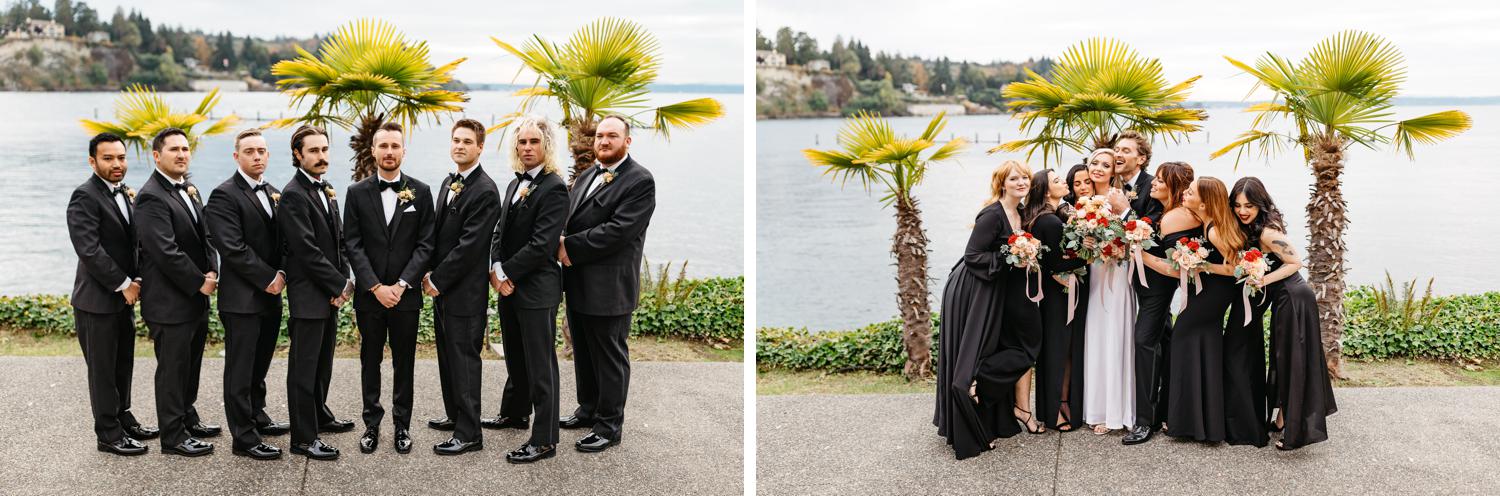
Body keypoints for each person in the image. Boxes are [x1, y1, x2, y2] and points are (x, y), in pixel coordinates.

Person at [557, 115, 657, 453]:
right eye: (600, 136)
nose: (603, 141)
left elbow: (618, 231)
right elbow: (570, 219)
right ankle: (587, 410)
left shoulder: (640, 181)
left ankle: (609, 425)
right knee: (583, 352)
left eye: (612, 136)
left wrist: (568, 247)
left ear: (627, 141)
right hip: (578, 280)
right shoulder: (587, 175)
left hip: (610, 286)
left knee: (609, 356)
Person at [934, 160, 1040, 460]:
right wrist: (1011, 259)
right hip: (974, 288)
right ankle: (970, 393)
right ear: (1002, 184)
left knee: (1013, 347)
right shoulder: (992, 215)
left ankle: (989, 397)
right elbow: (972, 256)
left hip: (997, 289)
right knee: (978, 349)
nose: (1021, 182)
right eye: (1014, 178)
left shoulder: (1019, 212)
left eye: (1025, 178)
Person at [342, 122, 435, 455]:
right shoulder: (355, 193)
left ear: (403, 151)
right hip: (370, 298)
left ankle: (402, 426)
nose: (389, 152)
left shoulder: (421, 192)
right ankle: (371, 424)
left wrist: (401, 285)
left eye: (395, 146)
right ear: (373, 151)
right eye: (383, 146)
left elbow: (426, 245)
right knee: (370, 361)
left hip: (405, 297)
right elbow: (352, 243)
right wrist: (374, 286)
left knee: (404, 363)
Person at [1229, 177, 1337, 450]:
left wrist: (1262, 280)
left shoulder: (1267, 232)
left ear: (1261, 205)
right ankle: (1282, 418)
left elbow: (1295, 262)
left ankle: (1294, 428)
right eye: (1238, 205)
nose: (1243, 211)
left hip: (1293, 297)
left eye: (1249, 206)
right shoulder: (1256, 227)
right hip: (1286, 298)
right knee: (1285, 357)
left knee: (1291, 359)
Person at [67, 132, 158, 456]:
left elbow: (130, 243)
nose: (117, 164)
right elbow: (89, 250)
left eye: (121, 157)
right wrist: (124, 284)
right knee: (103, 369)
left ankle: (123, 416)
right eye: (109, 158)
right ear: (93, 161)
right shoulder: (84, 196)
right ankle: (108, 434)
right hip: (97, 301)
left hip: (122, 297)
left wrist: (139, 277)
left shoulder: (124, 193)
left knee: (123, 362)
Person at [486, 115, 570, 463]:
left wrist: (507, 273)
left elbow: (541, 245)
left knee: (541, 365)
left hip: (537, 290)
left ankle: (544, 439)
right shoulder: (514, 184)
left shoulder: (554, 188)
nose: (527, 148)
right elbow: (498, 233)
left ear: (546, 146)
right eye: (522, 142)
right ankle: (515, 413)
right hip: (508, 286)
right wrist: (494, 267)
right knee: (516, 357)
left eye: (534, 142)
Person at [203, 128, 290, 460]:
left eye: (262, 151)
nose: (257, 156)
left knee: (260, 364)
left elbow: (285, 241)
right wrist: (268, 277)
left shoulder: (274, 192)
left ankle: (257, 414)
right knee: (240, 369)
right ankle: (244, 437)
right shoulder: (224, 195)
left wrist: (282, 273)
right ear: (236, 156)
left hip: (271, 295)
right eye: (250, 151)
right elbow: (232, 247)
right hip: (241, 299)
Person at [135, 128, 221, 457]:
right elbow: (164, 251)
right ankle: (173, 436)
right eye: (174, 149)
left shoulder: (189, 189)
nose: (182, 154)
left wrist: (211, 269)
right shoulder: (150, 196)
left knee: (191, 363)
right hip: (169, 301)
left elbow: (206, 237)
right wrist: (199, 281)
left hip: (195, 297)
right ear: (157, 156)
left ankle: (187, 416)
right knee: (172, 369)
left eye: (185, 149)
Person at [1140, 176, 1239, 443]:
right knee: (1201, 349)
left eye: (1191, 192)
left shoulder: (1215, 230)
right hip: (1204, 293)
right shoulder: (1205, 224)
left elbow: (1234, 268)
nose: (1185, 193)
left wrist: (1201, 266)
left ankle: (1189, 421)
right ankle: (1199, 423)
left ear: (1205, 203)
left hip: (1212, 294)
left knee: (1183, 339)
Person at [423, 118, 502, 456]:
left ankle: (469, 433)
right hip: (444, 291)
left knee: (465, 360)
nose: (459, 146)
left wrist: (437, 279)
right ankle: (456, 415)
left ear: (480, 147)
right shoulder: (448, 182)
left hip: (465, 292)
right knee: (447, 357)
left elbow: (469, 247)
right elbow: (439, 236)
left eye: (467, 141)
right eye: (456, 140)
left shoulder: (485, 190)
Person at [279, 124, 356, 460]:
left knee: (323, 362)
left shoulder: (326, 189)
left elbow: (339, 242)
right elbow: (306, 250)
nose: (321, 156)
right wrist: (338, 285)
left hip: (329, 295)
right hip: (309, 296)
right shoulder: (294, 194)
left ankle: (319, 415)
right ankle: (303, 437)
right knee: (304, 367)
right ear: (298, 155)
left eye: (324, 150)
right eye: (313, 151)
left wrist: (345, 281)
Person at [1122, 161, 1198, 445]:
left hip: (1158, 290)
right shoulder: (1162, 211)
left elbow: (1176, 267)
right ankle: (1166, 409)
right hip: (1146, 288)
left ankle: (1145, 422)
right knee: (1162, 342)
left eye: (1160, 181)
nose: (1153, 182)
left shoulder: (1179, 216)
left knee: (1144, 342)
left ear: (1175, 187)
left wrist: (1141, 256)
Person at [1025, 168, 1088, 432]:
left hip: (1057, 294)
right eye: (1058, 180)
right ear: (1046, 190)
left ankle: (1059, 404)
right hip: (1059, 295)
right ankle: (1057, 408)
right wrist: (1090, 252)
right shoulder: (1048, 221)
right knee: (1059, 350)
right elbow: (1057, 260)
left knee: (1061, 349)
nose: (1065, 182)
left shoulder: (1050, 216)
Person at [1079, 148, 1135, 435]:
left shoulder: (1117, 198)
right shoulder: (1081, 201)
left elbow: (1132, 237)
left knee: (1113, 334)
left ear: (1115, 170)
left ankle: (1115, 412)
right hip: (1093, 273)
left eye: (1106, 164)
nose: (1098, 168)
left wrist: (1112, 246)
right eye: (1094, 163)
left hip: (1115, 271)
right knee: (1095, 336)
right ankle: (1096, 407)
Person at [1113, 130, 1163, 222]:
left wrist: (1125, 211)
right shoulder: (1112, 184)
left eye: (1126, 151)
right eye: (1116, 150)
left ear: (1141, 159)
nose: (1118, 154)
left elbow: (1151, 231)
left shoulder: (1153, 187)